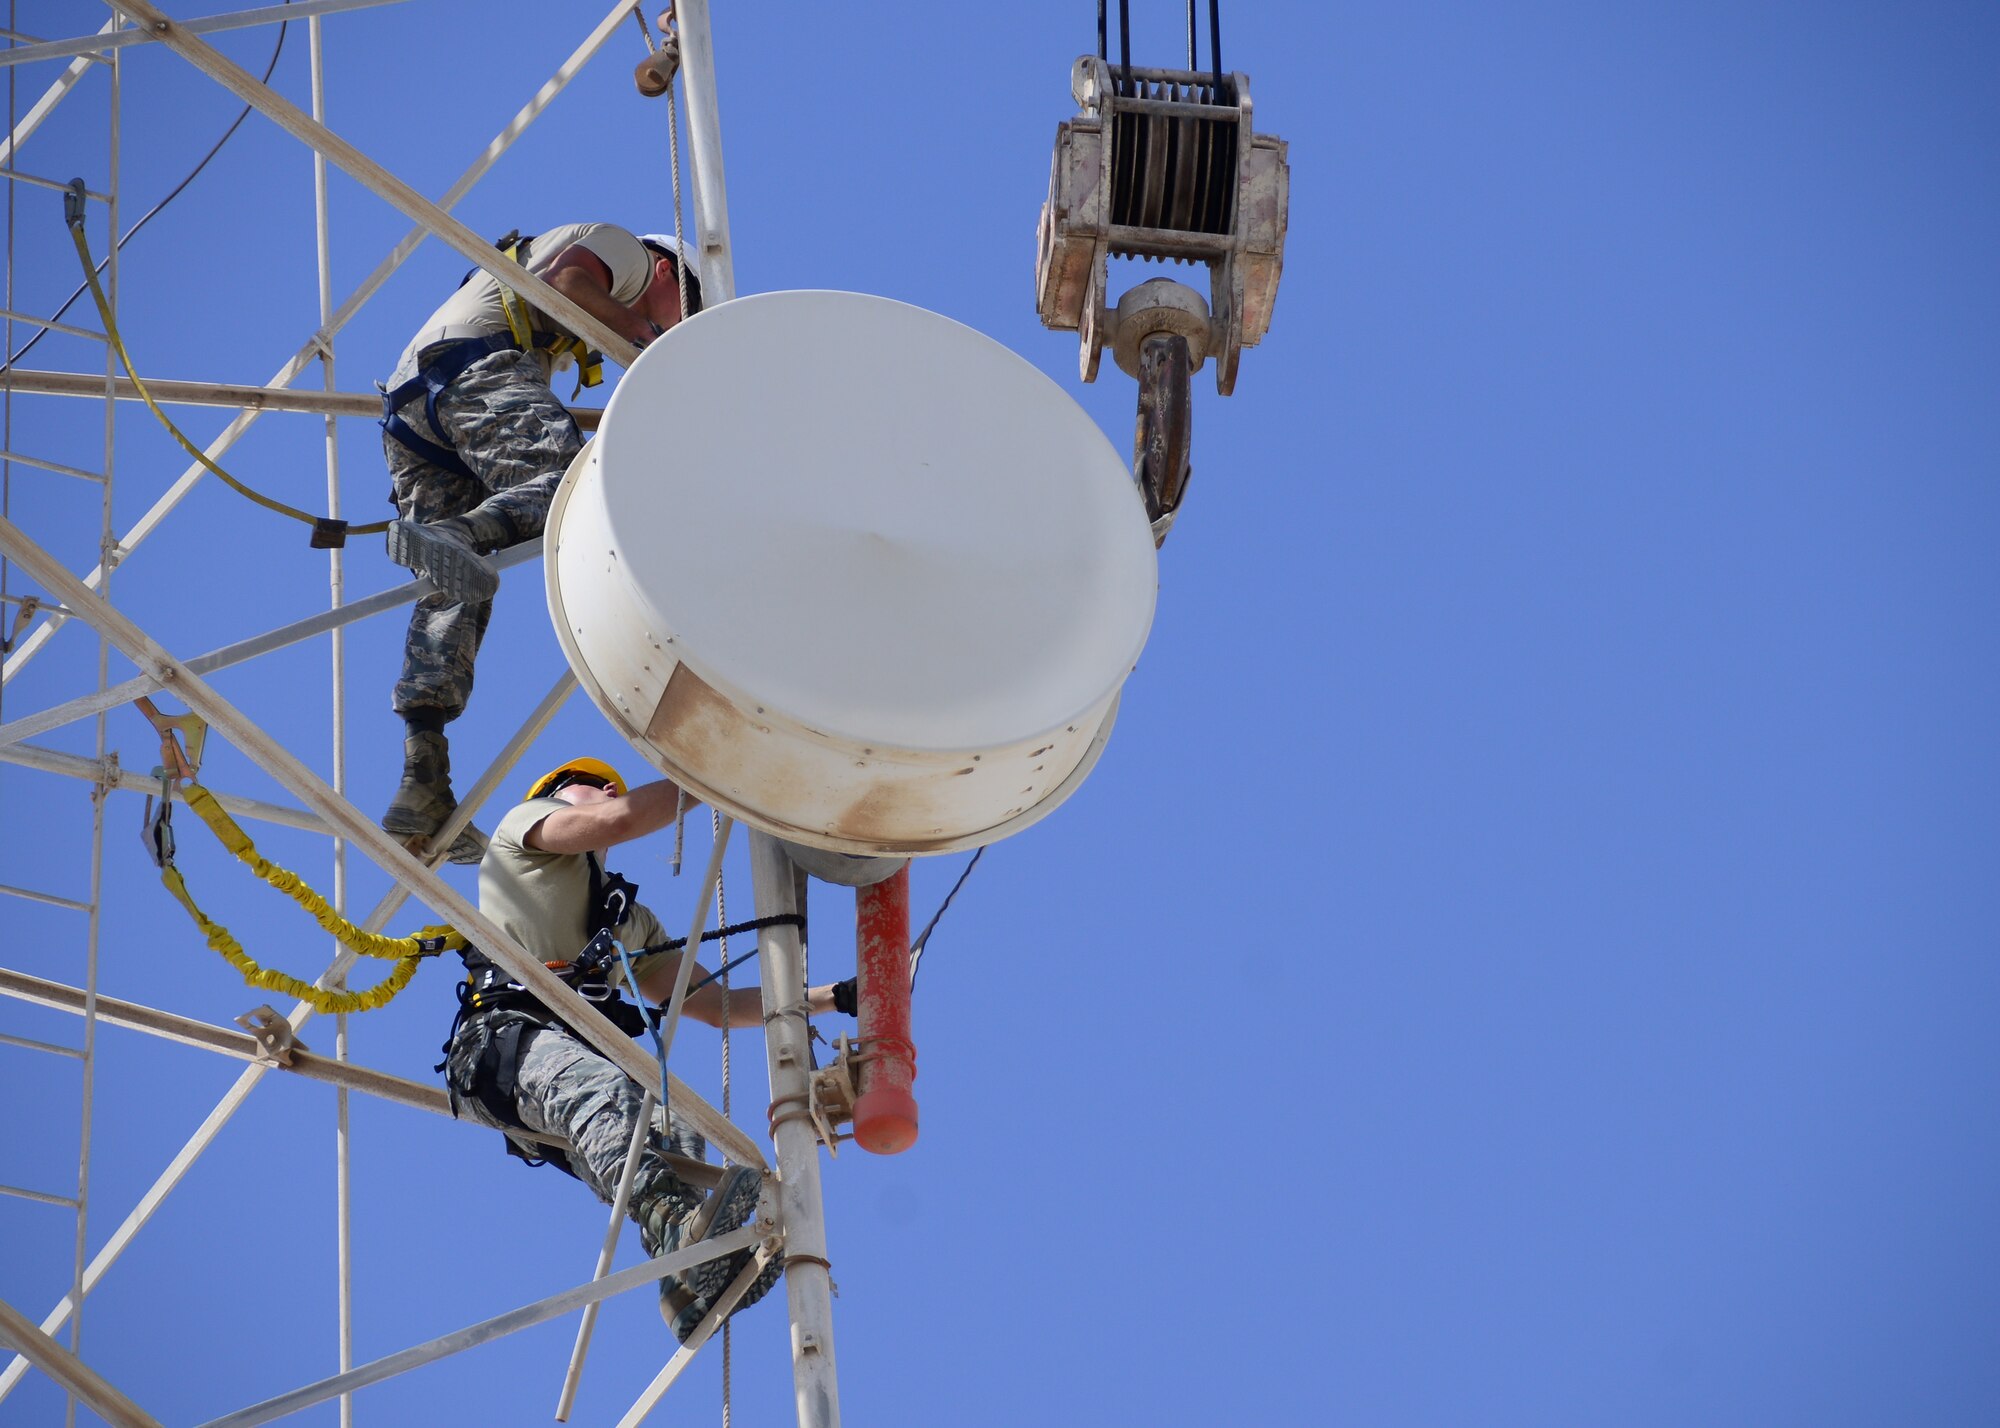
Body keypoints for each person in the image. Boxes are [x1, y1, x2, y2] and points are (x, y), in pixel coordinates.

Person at [440, 756, 856, 1341]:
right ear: (554, 794)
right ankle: (677, 1233)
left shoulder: (628, 922)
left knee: (672, 1131)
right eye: (590, 784)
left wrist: (832, 997)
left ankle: (682, 1281)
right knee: (607, 1094)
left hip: (564, 1064)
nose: (609, 787)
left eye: (613, 785)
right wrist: (723, 773)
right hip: (504, 1046)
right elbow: (616, 821)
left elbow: (713, 1005)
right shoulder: (525, 831)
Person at [376, 225, 703, 862]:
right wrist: (646, 343)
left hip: (415, 407)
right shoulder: (623, 251)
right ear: (669, 272)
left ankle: (424, 777)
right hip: (472, 367)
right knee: (570, 490)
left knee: (454, 592)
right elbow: (568, 282)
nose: (678, 327)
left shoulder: (592, 291)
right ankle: (460, 530)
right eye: (686, 311)